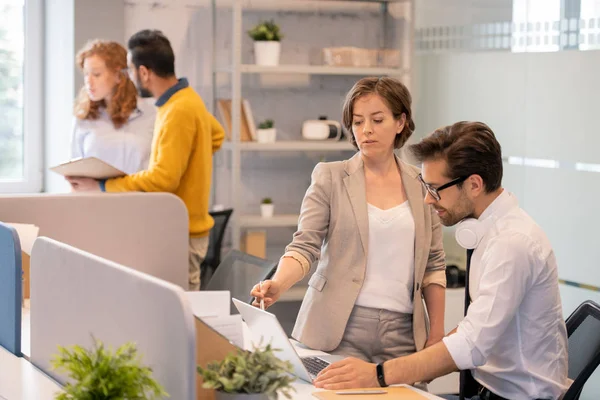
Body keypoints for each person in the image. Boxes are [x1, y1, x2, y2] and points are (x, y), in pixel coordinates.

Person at [314, 121, 569, 400]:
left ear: (473, 185)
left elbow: (472, 345)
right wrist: (419, 364)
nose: (426, 200)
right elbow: (475, 326)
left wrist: (378, 374)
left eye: (435, 189)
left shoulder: (512, 244)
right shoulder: (490, 230)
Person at [251, 77, 447, 370]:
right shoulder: (330, 177)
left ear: (400, 122)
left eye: (377, 120)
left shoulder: (422, 184)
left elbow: (434, 264)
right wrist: (278, 282)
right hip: (338, 328)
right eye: (357, 122)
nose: (365, 130)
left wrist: (436, 335)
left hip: (404, 335)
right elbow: (304, 246)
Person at [68, 30, 225, 291]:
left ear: (143, 72)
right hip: (171, 226)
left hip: (179, 229)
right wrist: (191, 165)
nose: (127, 77)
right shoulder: (183, 100)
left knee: (180, 320)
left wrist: (104, 187)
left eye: (128, 69)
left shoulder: (176, 111)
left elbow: (163, 179)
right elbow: (216, 136)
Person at [70, 40, 156, 175]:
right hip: (96, 195)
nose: (89, 82)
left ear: (119, 76)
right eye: (86, 74)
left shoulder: (153, 113)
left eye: (96, 74)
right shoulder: (83, 118)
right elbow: (75, 177)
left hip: (141, 195)